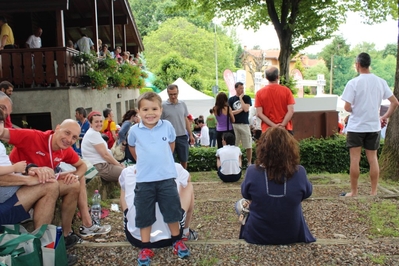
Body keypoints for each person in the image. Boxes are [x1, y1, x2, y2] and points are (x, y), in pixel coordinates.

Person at [0, 93, 111, 243]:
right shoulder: (33, 136)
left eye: (73, 137)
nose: (69, 139)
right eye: (66, 133)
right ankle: (44, 244)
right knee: (50, 185)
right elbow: (4, 133)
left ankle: (67, 233)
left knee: (74, 182)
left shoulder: (64, 148)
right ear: (57, 128)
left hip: (35, 181)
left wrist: (76, 176)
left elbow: (82, 166)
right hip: (17, 185)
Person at [128, 92, 190, 265]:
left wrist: (163, 161)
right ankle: (145, 246)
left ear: (161, 110)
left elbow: (171, 145)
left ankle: (176, 240)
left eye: (154, 109)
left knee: (171, 211)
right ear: (138, 112)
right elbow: (132, 148)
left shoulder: (167, 126)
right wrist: (143, 163)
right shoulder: (134, 131)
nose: (150, 113)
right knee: (144, 214)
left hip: (166, 178)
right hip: (144, 180)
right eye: (145, 109)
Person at [239, 127, 316, 245]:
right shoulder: (299, 172)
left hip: (257, 234)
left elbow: (245, 193)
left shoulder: (252, 171)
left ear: (262, 148)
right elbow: (307, 192)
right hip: (292, 233)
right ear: (290, 148)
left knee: (240, 204)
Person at [340, 52, 399, 197]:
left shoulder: (353, 83)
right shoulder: (380, 81)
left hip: (356, 127)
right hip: (373, 126)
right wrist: (384, 116)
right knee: (373, 159)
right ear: (369, 64)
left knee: (355, 159)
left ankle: (354, 192)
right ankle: (374, 192)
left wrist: (356, 109)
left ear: (357, 65)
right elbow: (395, 102)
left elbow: (347, 107)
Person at [120, 163, 198, 248]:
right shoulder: (175, 168)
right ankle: (185, 232)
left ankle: (129, 222)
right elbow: (187, 178)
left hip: (136, 238)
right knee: (187, 183)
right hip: (172, 236)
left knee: (124, 188)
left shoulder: (127, 172)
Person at [81, 111, 125, 182]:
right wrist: (118, 164)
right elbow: (105, 155)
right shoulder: (93, 134)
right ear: (90, 123)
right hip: (100, 167)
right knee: (128, 174)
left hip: (102, 165)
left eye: (101, 121)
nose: (99, 124)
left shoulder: (93, 132)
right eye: (96, 122)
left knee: (128, 171)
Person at [161, 84, 195, 169]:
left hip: (182, 135)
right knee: (170, 159)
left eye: (175, 94)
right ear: (167, 94)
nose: (173, 96)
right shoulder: (163, 106)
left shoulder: (182, 104)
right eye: (171, 94)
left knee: (184, 159)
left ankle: (183, 177)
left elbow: (186, 119)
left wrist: (190, 134)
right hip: (168, 137)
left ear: (178, 92)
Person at [255, 67, 295, 134]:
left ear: (266, 78)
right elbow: (291, 111)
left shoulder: (259, 93)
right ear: (278, 77)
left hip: (267, 130)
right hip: (285, 129)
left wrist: (274, 126)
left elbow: (259, 113)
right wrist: (282, 125)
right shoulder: (286, 91)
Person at [229, 82, 253, 164]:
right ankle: (237, 162)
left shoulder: (247, 98)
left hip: (244, 124)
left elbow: (246, 109)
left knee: (248, 145)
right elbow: (230, 112)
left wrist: (241, 98)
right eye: (240, 88)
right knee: (234, 145)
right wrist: (239, 110)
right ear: (235, 88)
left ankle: (249, 162)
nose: (242, 90)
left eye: (243, 88)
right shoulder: (231, 99)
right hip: (234, 124)